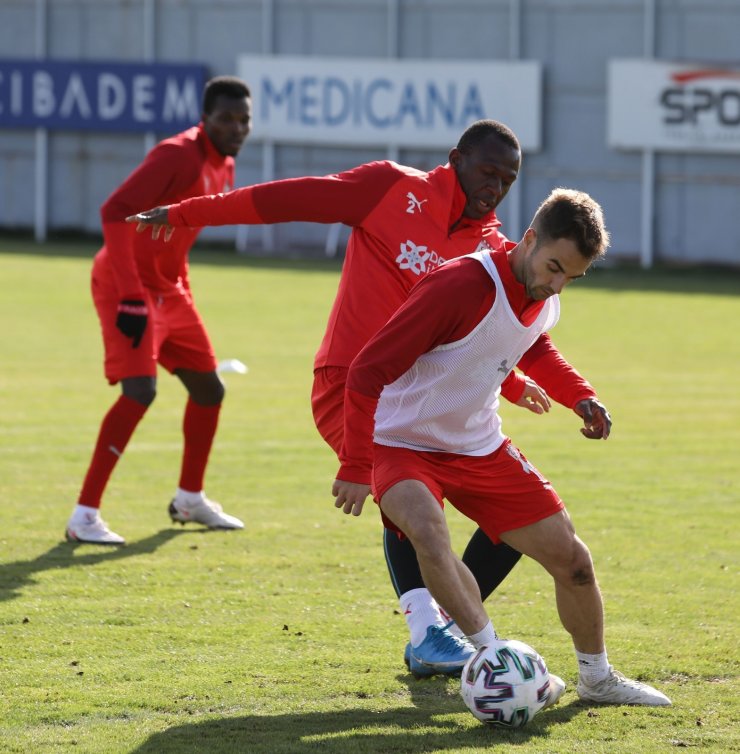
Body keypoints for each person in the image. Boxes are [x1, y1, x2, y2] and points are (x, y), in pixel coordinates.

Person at [127, 120, 550, 677]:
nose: (495, 186)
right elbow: (284, 200)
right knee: (407, 493)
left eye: (508, 179)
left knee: (513, 524)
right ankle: (427, 627)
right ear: (456, 159)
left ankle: (444, 627)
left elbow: (472, 335)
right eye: (488, 171)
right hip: (350, 384)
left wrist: (514, 381)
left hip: (427, 397)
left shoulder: (490, 246)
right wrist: (185, 212)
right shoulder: (388, 189)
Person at [332, 188, 672, 706]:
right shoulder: (458, 284)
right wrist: (355, 463)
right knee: (426, 529)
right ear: (529, 238)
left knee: (574, 562)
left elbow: (532, 343)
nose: (556, 285)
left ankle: (596, 677)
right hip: (400, 442)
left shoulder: (545, 295)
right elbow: (366, 371)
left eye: (571, 278)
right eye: (554, 267)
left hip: (479, 446)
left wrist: (580, 396)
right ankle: (494, 661)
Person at [65, 76, 253, 545]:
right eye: (226, 118)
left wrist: (181, 288)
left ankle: (190, 499)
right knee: (139, 393)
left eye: (244, 119)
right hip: (124, 284)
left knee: (209, 390)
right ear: (204, 117)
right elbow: (114, 210)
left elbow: (178, 236)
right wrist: (131, 294)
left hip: (170, 289)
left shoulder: (224, 163)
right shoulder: (177, 154)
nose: (236, 127)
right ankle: (83, 516)